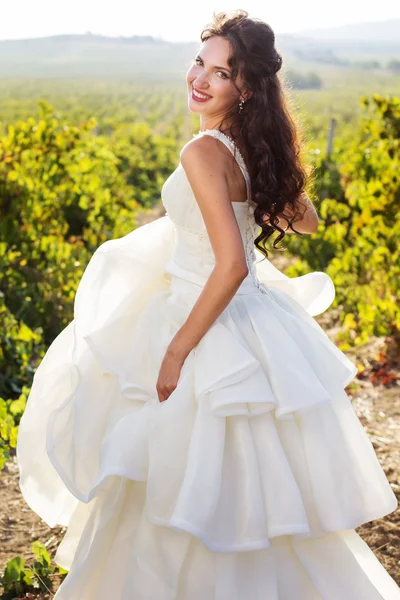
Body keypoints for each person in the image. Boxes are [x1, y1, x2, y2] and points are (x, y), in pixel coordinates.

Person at [17, 9, 399, 599]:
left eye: (220, 73)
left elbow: (232, 264)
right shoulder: (251, 147)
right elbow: (306, 220)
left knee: (178, 482)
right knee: (257, 491)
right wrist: (273, 157)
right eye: (201, 62)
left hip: (203, 320)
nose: (199, 78)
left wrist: (176, 350)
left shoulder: (203, 152)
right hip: (253, 321)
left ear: (244, 88)